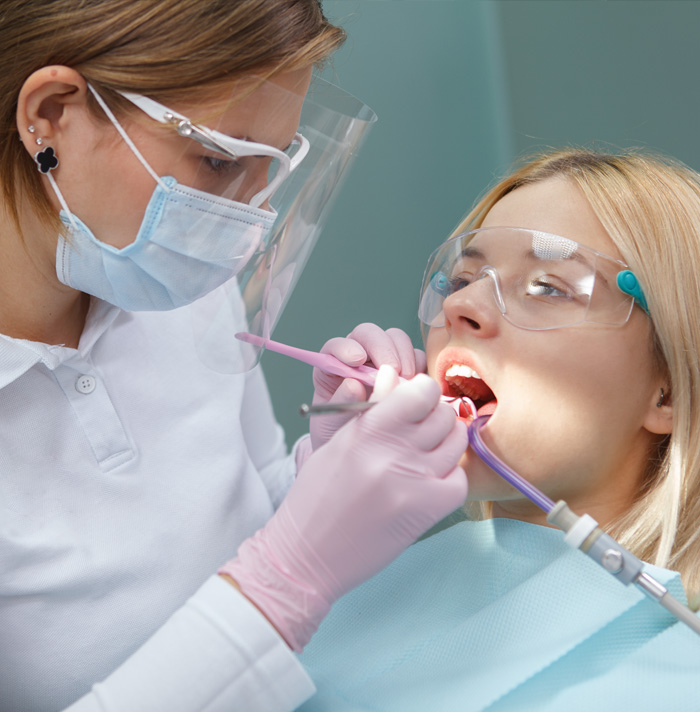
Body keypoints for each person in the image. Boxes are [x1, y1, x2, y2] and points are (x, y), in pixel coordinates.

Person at [0, 2, 469, 711]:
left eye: (269, 171)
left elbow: (241, 520)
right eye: (218, 161)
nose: (245, 231)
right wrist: (285, 580)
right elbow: (274, 576)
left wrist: (323, 475)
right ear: (52, 113)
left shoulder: (178, 290)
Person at [295, 147, 700, 711]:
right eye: (461, 277)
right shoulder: (360, 590)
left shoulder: (674, 682)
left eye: (548, 286)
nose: (463, 304)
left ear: (671, 392)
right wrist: (314, 534)